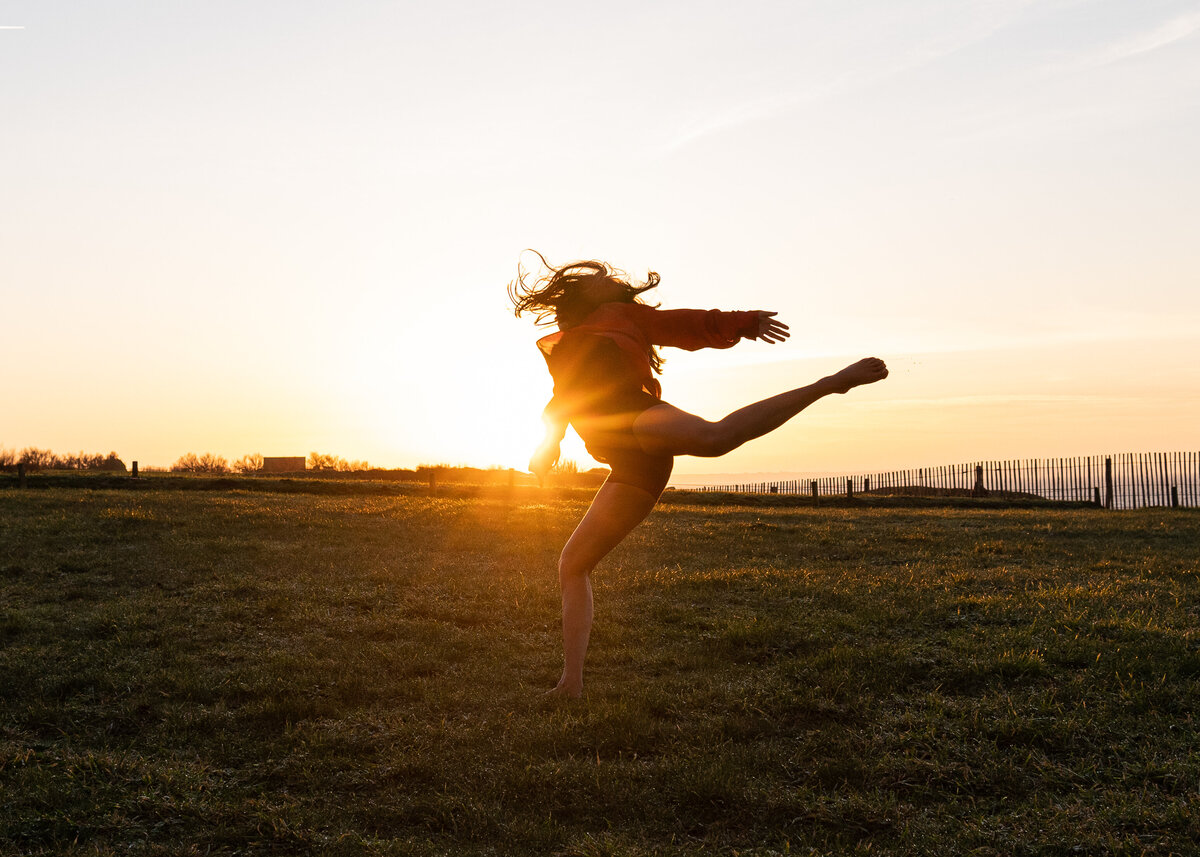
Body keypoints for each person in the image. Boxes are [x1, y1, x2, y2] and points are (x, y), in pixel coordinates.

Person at [509, 252, 889, 698]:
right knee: (573, 564)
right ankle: (570, 684)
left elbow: (683, 324)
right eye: (598, 280)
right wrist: (549, 441)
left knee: (715, 438)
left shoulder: (622, 316)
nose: (607, 281)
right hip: (626, 458)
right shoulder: (566, 341)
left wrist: (742, 322)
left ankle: (829, 383)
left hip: (630, 414)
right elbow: (564, 396)